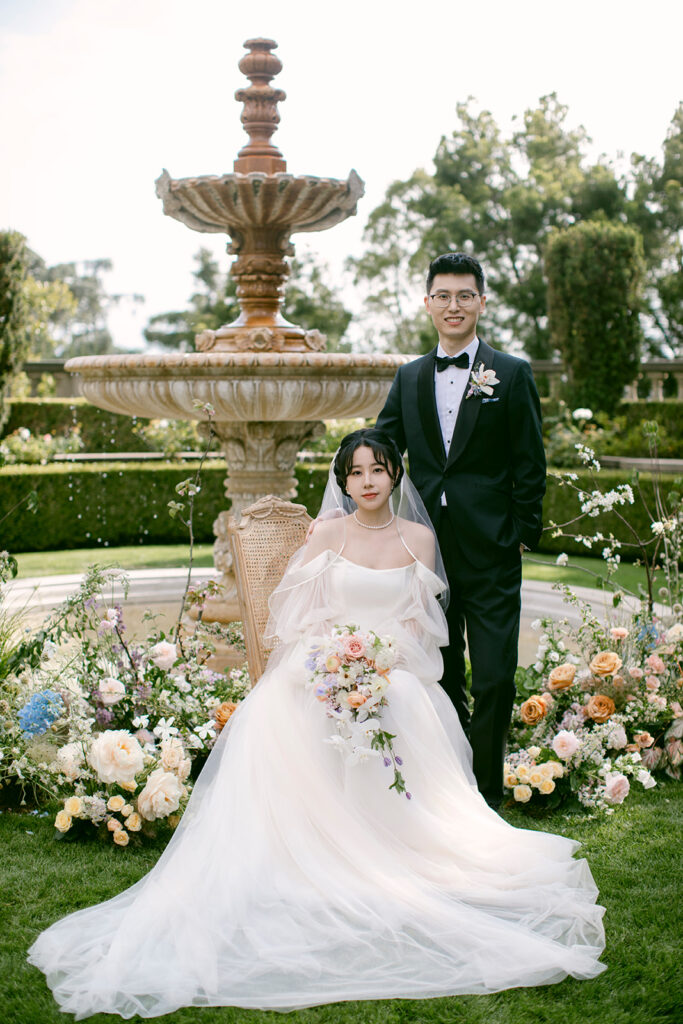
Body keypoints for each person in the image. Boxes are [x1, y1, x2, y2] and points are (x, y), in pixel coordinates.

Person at [28, 430, 603, 1019]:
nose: (368, 481)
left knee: (405, 701)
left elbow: (421, 627)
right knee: (295, 706)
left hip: (393, 669)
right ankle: (313, 843)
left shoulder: (420, 539)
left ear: (395, 474)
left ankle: (395, 842)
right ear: (343, 481)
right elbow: (297, 613)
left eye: (377, 469)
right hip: (325, 661)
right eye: (356, 472)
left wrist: (378, 666)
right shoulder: (327, 533)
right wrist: (336, 661)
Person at [376, 252, 547, 809]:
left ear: (481, 302)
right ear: (428, 303)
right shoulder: (409, 377)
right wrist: (345, 500)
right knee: (440, 675)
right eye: (444, 296)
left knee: (494, 677)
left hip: (493, 547)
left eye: (465, 295)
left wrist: (521, 531)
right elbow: (382, 447)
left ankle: (488, 793)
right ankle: (453, 789)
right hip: (426, 551)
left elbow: (530, 462)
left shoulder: (512, 373)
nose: (454, 305)